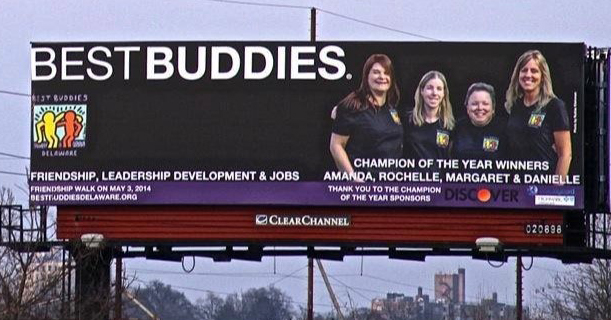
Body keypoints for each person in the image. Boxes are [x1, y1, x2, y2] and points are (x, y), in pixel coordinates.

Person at [329, 54, 402, 175]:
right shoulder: (352, 107)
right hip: (363, 186)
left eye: (386, 73)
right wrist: (352, 177)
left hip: (391, 186)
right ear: (366, 76)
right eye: (376, 72)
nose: (382, 77)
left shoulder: (392, 108)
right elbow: (336, 145)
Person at [504, 50, 571, 176]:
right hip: (516, 184)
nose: (528, 75)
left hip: (544, 183)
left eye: (534, 71)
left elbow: (565, 155)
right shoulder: (514, 106)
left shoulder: (555, 106)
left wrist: (556, 191)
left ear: (542, 76)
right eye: (524, 70)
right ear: (517, 75)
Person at [403, 70, 455, 159]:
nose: (434, 93)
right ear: (422, 91)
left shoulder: (449, 125)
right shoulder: (407, 120)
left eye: (439, 89)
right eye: (430, 88)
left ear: (443, 94)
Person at [453, 83, 506, 160]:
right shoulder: (456, 127)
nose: (480, 108)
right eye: (474, 104)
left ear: (493, 108)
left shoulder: (505, 130)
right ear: (467, 108)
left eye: (485, 104)